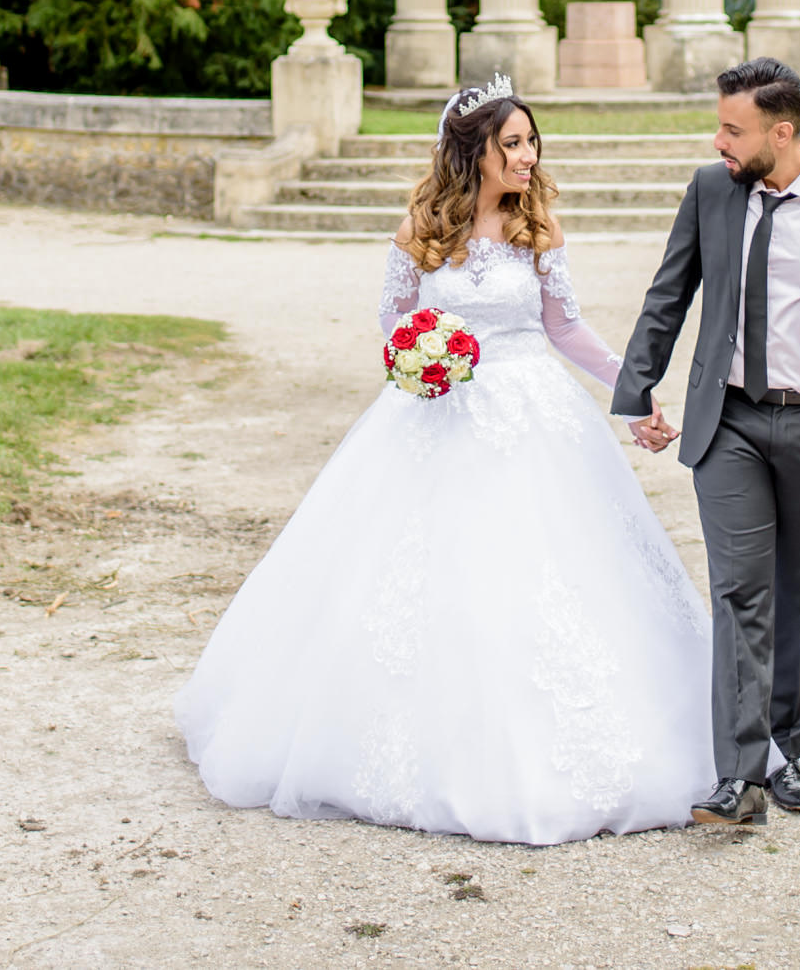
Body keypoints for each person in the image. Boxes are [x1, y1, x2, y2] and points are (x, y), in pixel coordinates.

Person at [174, 76, 709, 844]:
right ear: (475, 153)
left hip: (534, 414)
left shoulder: (539, 231)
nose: (528, 156)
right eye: (513, 144)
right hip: (438, 412)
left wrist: (633, 397)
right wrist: (421, 355)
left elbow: (569, 331)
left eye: (531, 142)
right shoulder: (422, 228)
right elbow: (393, 323)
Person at [613, 56, 800, 826]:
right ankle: (736, 776)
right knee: (740, 591)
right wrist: (636, 386)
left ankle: (785, 751)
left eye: (732, 129)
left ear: (783, 131)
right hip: (730, 421)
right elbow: (668, 291)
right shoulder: (713, 192)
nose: (719, 142)